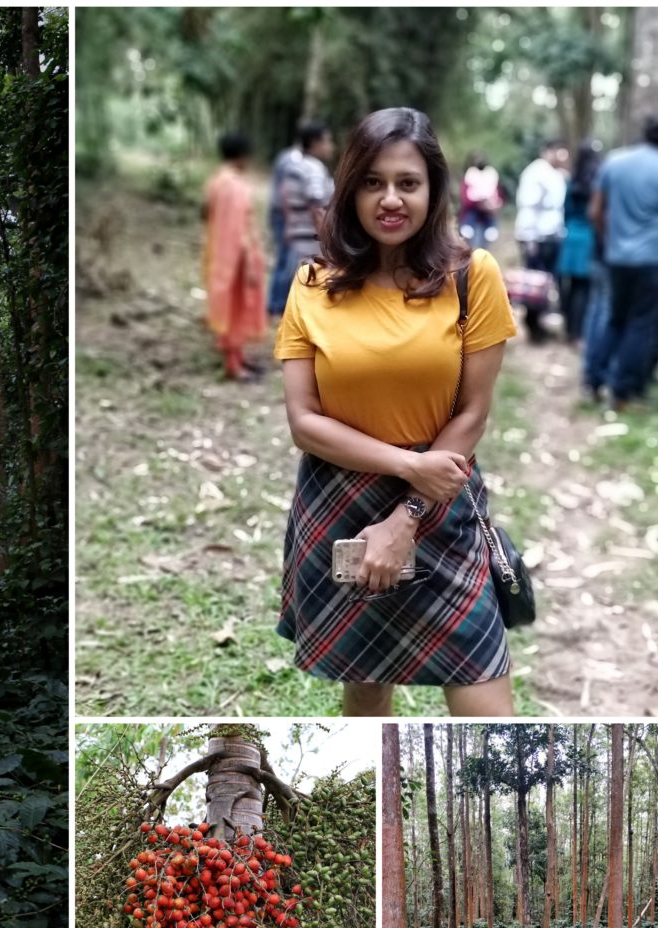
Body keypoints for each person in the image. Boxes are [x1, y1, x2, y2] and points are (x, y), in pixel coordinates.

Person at [273, 107, 518, 717]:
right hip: (340, 497)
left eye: (408, 183)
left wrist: (409, 509)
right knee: (366, 679)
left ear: (433, 189)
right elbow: (304, 420)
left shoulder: (471, 276)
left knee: (484, 693)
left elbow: (473, 413)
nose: (390, 200)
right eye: (373, 182)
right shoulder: (312, 283)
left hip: (441, 500)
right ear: (350, 188)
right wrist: (407, 469)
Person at [591, 110, 658, 410]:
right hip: (652, 258)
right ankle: (624, 392)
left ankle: (594, 379)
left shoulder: (615, 162)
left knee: (614, 318)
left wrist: (609, 240)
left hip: (617, 256)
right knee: (641, 324)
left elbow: (595, 212)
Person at [202, 131, 268, 380]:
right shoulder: (234, 186)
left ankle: (239, 357)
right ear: (242, 156)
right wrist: (249, 263)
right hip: (235, 258)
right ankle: (233, 365)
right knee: (236, 307)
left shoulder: (217, 181)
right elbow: (236, 229)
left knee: (230, 306)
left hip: (219, 255)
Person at [269, 121, 336, 320]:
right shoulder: (313, 168)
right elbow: (317, 204)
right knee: (309, 282)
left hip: (296, 233)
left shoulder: (294, 165)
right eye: (328, 141)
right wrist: (328, 238)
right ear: (315, 143)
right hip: (309, 238)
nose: (331, 146)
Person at [514, 138, 569, 343]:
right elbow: (529, 206)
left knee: (547, 283)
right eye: (556, 152)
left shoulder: (556, 174)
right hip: (537, 235)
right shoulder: (535, 173)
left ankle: (541, 323)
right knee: (534, 282)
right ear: (547, 151)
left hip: (552, 234)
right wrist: (529, 237)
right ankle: (533, 324)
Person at [559, 142, 603, 349]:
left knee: (570, 286)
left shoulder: (571, 182)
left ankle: (569, 330)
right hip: (588, 238)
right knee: (583, 289)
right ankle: (577, 334)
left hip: (571, 238)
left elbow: (565, 210)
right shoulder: (597, 182)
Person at [458, 153, 503, 250]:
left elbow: (499, 195)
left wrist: (495, 204)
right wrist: (481, 204)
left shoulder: (490, 175)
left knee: (484, 248)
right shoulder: (469, 176)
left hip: (487, 217)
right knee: (472, 247)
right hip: (474, 217)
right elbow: (466, 200)